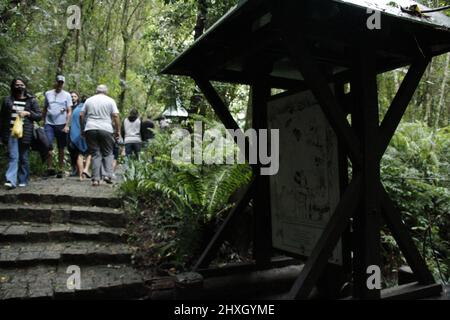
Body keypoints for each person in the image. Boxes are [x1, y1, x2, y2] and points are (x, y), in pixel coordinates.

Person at [0, 78, 42, 189]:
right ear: (13, 86)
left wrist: (28, 113)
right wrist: (2, 135)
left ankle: (23, 179)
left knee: (24, 157)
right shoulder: (7, 100)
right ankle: (11, 180)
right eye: (17, 84)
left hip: (26, 133)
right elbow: (3, 118)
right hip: (11, 133)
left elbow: (39, 116)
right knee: (13, 157)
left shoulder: (31, 100)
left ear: (25, 86)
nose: (19, 86)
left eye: (21, 84)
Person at [80, 85, 120, 186]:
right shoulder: (110, 100)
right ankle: (107, 175)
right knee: (108, 153)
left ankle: (95, 179)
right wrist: (118, 131)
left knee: (95, 154)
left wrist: (82, 128)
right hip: (106, 128)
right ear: (106, 92)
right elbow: (115, 116)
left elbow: (81, 115)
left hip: (90, 128)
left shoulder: (89, 100)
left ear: (96, 91)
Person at [43, 75, 73, 178]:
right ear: (55, 82)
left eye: (62, 82)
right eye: (58, 82)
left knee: (61, 147)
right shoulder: (48, 94)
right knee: (48, 145)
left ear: (63, 83)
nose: (60, 84)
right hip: (49, 124)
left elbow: (69, 111)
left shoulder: (67, 95)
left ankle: (60, 169)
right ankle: (49, 168)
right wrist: (43, 122)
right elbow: (45, 108)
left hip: (61, 124)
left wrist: (67, 125)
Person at [69, 91, 91, 180]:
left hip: (74, 136)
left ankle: (81, 174)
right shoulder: (86, 110)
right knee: (90, 153)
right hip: (84, 134)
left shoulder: (76, 109)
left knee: (80, 154)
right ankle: (85, 170)